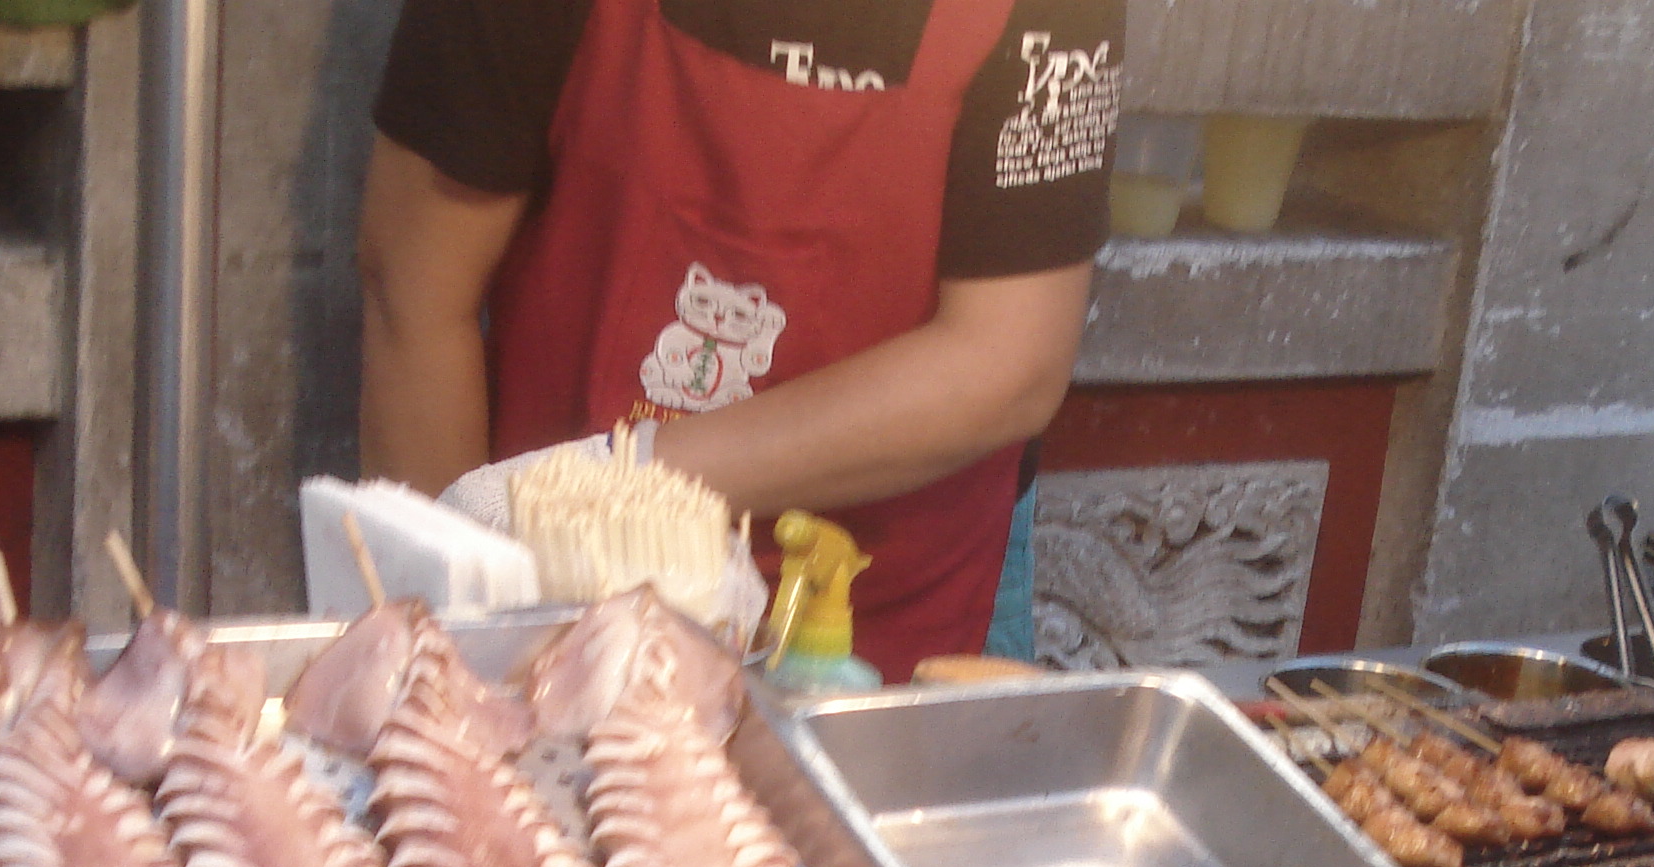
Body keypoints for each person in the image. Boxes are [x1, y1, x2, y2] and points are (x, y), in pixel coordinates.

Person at [358, 0, 1120, 676]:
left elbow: (1008, 363)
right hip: (561, 594)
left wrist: (614, 477)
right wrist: (450, 615)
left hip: (892, 606)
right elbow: (415, 296)